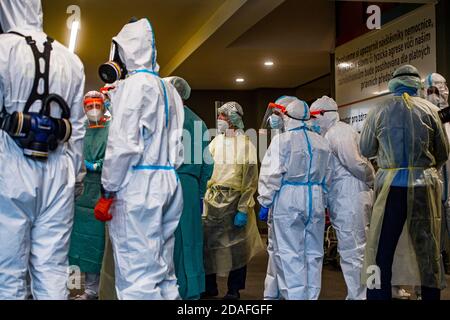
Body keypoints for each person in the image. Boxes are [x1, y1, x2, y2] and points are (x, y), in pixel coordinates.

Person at [93, 18, 185, 300]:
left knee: (137, 279)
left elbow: (123, 146)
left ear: (126, 52)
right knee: (164, 273)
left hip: (138, 187)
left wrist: (108, 188)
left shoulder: (135, 86)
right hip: (169, 181)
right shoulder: (168, 88)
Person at [0, 0, 85, 300]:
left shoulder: (2, 49)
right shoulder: (71, 60)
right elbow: (78, 126)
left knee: (7, 271)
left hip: (8, 168)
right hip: (59, 170)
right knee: (52, 268)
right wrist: (75, 175)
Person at [360, 65, 449, 300]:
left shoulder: (378, 110)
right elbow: (443, 152)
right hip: (424, 185)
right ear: (416, 83)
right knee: (428, 249)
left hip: (390, 186)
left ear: (393, 84)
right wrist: (425, 168)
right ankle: (431, 297)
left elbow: (366, 148)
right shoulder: (431, 110)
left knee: (381, 248)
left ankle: (378, 297)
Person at [258, 96, 333, 300]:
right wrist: (322, 199)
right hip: (315, 198)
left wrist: (264, 201)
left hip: (289, 199)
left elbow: (271, 174)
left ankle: (295, 296)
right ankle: (310, 296)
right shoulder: (321, 142)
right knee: (314, 254)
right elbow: (328, 175)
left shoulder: (282, 140)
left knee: (290, 254)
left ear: (287, 116)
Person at [310, 96, 375, 300]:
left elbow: (356, 164)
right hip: (345, 198)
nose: (312, 122)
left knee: (355, 251)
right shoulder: (331, 133)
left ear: (324, 115)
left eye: (314, 117)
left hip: (351, 198)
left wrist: (373, 179)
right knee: (354, 251)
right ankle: (361, 294)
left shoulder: (339, 133)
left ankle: (362, 296)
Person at [203, 101, 264, 300]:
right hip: (212, 200)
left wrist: (244, 208)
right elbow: (206, 168)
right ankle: (209, 287)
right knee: (209, 245)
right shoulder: (216, 142)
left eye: (222, 117)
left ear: (233, 120)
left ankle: (234, 289)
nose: (219, 120)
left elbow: (250, 179)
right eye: (219, 116)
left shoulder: (246, 145)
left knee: (237, 248)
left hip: (234, 201)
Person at [165, 76, 214, 300]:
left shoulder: (164, 119)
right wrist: (199, 190)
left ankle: (169, 288)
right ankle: (192, 290)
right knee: (192, 239)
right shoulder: (198, 122)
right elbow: (207, 163)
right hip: (191, 186)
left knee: (168, 239)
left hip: (167, 183)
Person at [69, 91, 110, 300]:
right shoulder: (79, 130)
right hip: (80, 192)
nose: (93, 109)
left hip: (101, 192)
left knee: (97, 244)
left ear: (103, 106)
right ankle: (77, 287)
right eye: (88, 106)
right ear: (83, 108)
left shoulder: (111, 129)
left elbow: (115, 157)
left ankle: (94, 289)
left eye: (96, 104)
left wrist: (96, 165)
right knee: (78, 243)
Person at [425, 73, 450, 279]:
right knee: (434, 226)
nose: (436, 95)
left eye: (439, 90)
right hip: (433, 183)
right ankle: (438, 262)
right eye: (431, 90)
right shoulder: (425, 119)